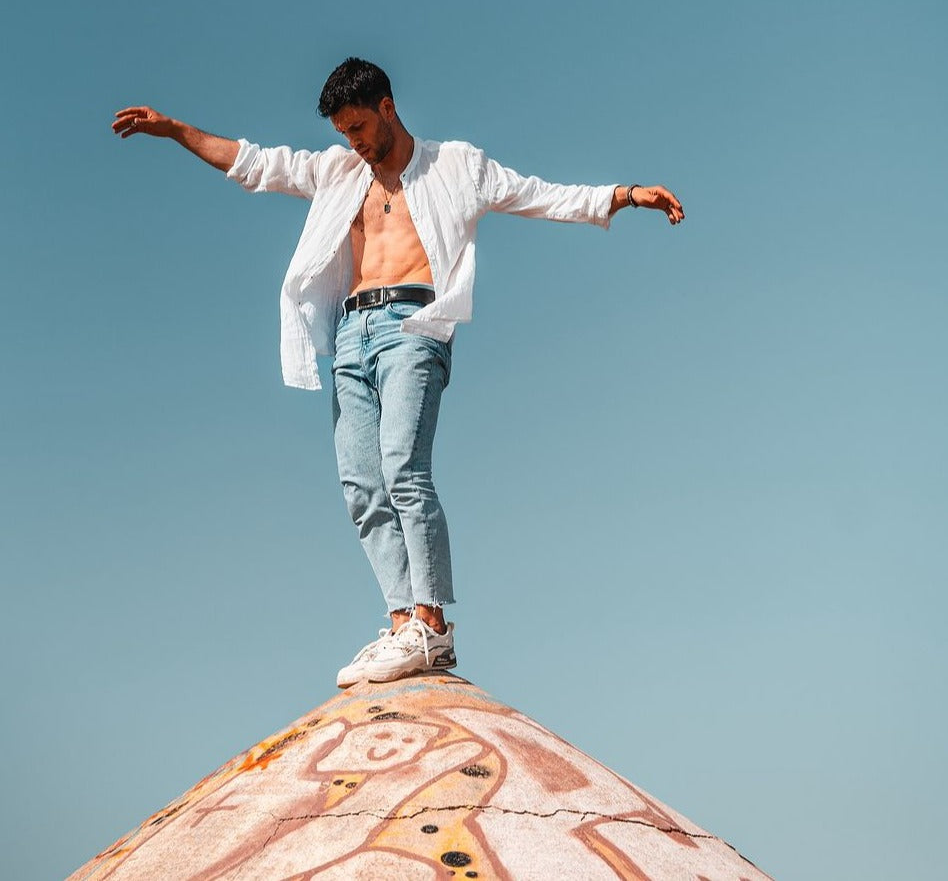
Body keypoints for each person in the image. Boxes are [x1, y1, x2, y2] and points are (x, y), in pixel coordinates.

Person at [112, 57, 684, 687]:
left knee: (403, 470)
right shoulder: (337, 172)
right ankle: (401, 622)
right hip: (350, 334)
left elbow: (540, 194)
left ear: (386, 106)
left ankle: (432, 623)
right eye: (343, 133)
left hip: (413, 328)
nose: (352, 143)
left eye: (358, 127)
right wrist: (176, 131)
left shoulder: (456, 164)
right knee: (360, 484)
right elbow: (255, 163)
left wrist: (626, 195)